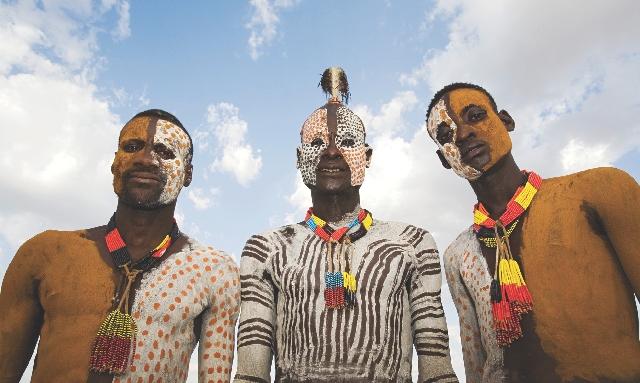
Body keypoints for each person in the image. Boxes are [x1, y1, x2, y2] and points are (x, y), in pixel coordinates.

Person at [234, 67, 459, 383]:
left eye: (348, 142)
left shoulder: (413, 243)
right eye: (316, 143)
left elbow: (437, 368)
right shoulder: (267, 248)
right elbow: (250, 373)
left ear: (367, 156)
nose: (331, 152)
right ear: (300, 159)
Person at [0, 109, 240, 383]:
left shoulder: (213, 271)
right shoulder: (45, 252)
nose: (146, 159)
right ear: (115, 162)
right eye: (133, 147)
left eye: (164, 152)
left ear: (187, 174)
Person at [426, 83, 640, 382]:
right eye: (446, 136)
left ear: (506, 121)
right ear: (444, 160)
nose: (462, 135)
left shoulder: (600, 190)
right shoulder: (457, 256)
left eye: (475, 116)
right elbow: (476, 364)